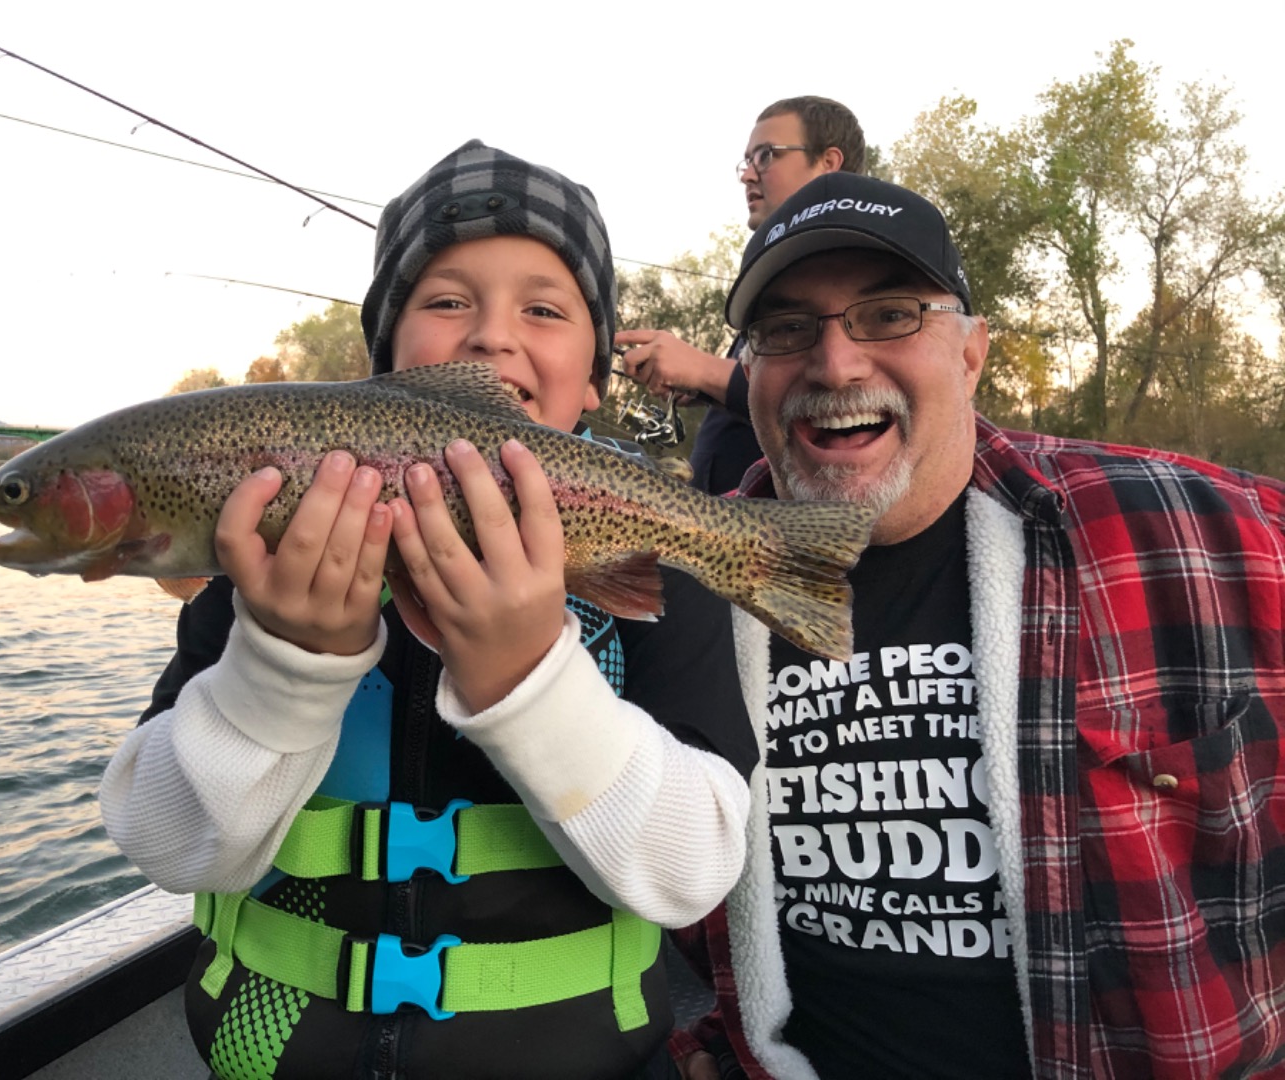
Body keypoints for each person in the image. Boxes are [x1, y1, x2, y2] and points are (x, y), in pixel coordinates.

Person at [99, 141, 761, 1080]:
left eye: (544, 307)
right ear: (379, 370)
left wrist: (527, 671)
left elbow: (694, 873)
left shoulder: (656, 561)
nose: (492, 336)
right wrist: (282, 659)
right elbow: (168, 847)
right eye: (447, 301)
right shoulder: (261, 575)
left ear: (597, 379)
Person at [672, 170, 1285, 1079]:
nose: (835, 364)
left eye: (888, 315)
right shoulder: (686, 584)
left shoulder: (1199, 533)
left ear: (971, 353)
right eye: (787, 329)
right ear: (750, 370)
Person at [615, 96, 865, 494]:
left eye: (766, 156)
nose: (748, 175)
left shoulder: (856, 265)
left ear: (828, 163)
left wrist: (701, 369)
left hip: (770, 544)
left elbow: (843, 398)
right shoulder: (775, 271)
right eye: (746, 161)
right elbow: (773, 391)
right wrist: (706, 388)